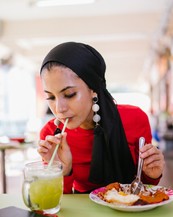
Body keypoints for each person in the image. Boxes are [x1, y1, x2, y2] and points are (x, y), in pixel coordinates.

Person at [37, 41, 165, 194]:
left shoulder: (135, 118)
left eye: (69, 94)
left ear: (93, 89)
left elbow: (142, 187)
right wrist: (61, 172)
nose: (59, 109)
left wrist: (152, 175)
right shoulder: (51, 134)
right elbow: (57, 201)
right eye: (51, 97)